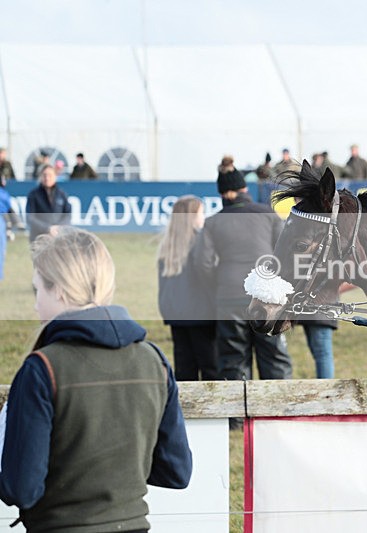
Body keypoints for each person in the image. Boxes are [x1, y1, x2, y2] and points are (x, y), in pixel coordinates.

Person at [0, 228, 192, 531]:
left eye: (38, 290)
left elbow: (20, 488)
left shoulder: (42, 368)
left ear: (60, 290)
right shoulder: (154, 360)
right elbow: (176, 470)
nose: (36, 304)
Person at [197, 159, 292, 385]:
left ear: (222, 194)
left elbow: (203, 263)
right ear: (244, 189)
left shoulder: (212, 222)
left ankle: (238, 419)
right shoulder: (269, 215)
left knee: (233, 363)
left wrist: (218, 287)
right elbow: (285, 255)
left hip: (229, 299)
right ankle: (276, 414)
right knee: (274, 360)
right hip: (267, 299)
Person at [157, 195, 218, 380]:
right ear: (192, 217)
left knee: (184, 369)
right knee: (211, 367)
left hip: (177, 316)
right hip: (202, 315)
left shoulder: (167, 247)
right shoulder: (201, 242)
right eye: (201, 213)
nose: (204, 217)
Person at [25, 165, 72, 242]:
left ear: (55, 176)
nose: (47, 178)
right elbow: (30, 218)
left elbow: (67, 214)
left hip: (58, 237)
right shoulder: (33, 195)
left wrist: (58, 228)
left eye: (50, 175)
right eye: (44, 175)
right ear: (40, 177)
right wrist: (47, 228)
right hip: (38, 238)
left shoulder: (62, 194)